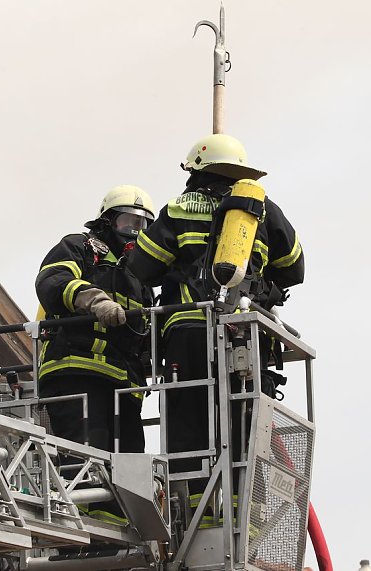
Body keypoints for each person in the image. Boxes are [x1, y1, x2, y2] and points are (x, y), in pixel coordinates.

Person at [126, 133, 305, 514]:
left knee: (189, 423)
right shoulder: (263, 208)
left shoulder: (179, 208)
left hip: (189, 334)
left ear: (196, 169)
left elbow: (141, 268)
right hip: (248, 337)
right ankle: (248, 515)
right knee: (246, 426)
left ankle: (198, 513)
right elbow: (294, 269)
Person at [35, 185, 155, 522]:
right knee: (88, 457)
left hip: (123, 383)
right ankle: (85, 531)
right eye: (129, 223)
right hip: (77, 368)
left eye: (144, 225)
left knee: (129, 463)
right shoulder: (81, 247)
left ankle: (121, 533)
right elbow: (52, 281)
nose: (136, 232)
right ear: (108, 221)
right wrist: (94, 300)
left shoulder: (141, 274)